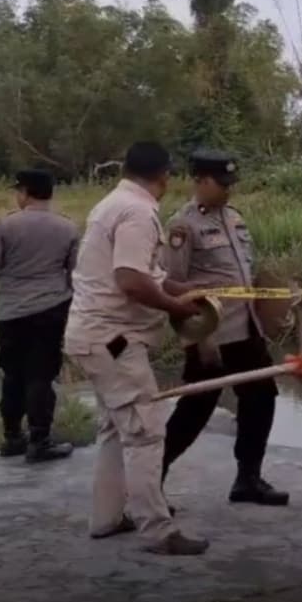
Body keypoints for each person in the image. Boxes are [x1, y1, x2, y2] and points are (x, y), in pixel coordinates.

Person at [64, 141, 209, 555]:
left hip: (92, 335)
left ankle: (107, 518)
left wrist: (185, 291)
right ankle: (157, 530)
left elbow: (145, 274)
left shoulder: (110, 203)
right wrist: (173, 305)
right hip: (112, 339)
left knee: (116, 428)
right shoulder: (139, 212)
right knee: (146, 430)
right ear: (164, 176)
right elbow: (129, 279)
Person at [160, 149, 289, 506]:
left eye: (231, 183)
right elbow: (171, 285)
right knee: (195, 409)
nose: (229, 190)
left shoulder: (233, 218)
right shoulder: (183, 226)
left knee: (262, 398)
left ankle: (248, 477)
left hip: (245, 329)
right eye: (222, 183)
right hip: (211, 334)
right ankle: (151, 480)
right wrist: (198, 339)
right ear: (200, 181)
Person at [0, 170, 78, 461]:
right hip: (51, 310)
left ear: (24, 192)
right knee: (41, 376)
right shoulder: (68, 228)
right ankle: (40, 440)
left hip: (10, 313)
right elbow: (76, 275)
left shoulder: (6, 225)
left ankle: (13, 437)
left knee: (13, 376)